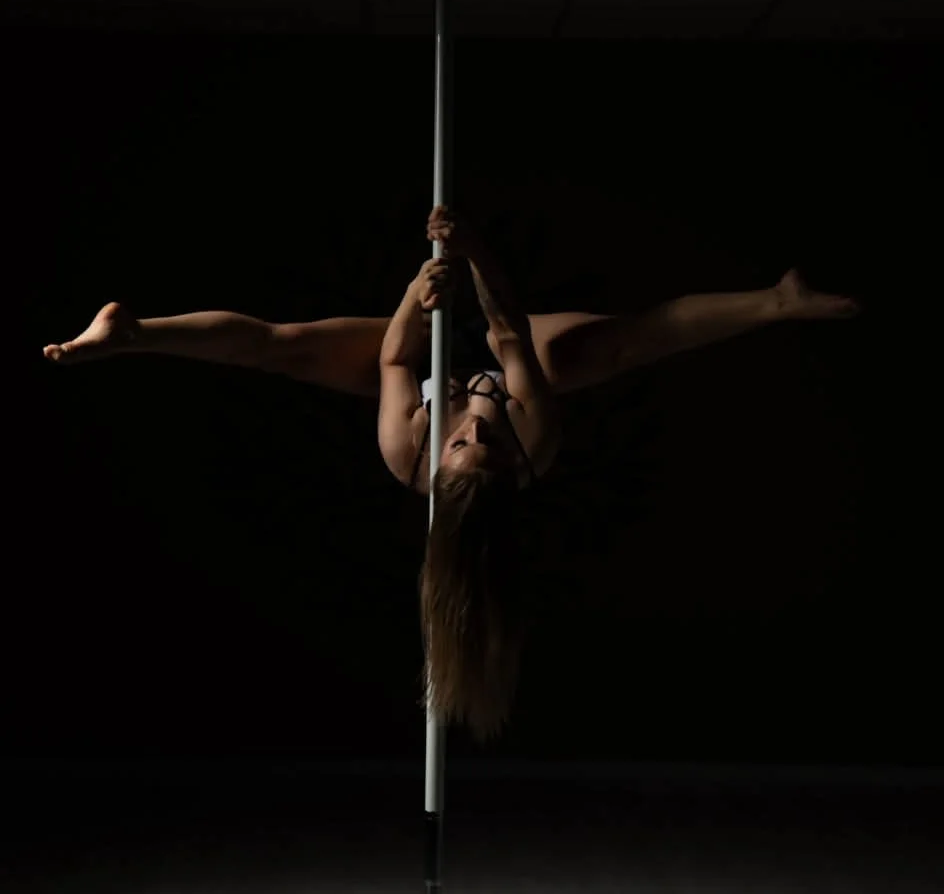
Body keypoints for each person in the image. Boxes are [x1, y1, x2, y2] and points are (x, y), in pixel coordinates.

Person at [44, 206, 859, 740]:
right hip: (509, 355)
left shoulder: (407, 451)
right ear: (509, 463)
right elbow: (508, 339)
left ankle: (133, 334)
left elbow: (397, 355)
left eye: (461, 444)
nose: (473, 429)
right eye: (484, 442)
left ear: (438, 468)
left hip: (416, 364)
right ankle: (774, 302)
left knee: (282, 347)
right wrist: (471, 255)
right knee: (612, 343)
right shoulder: (532, 439)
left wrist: (414, 298)